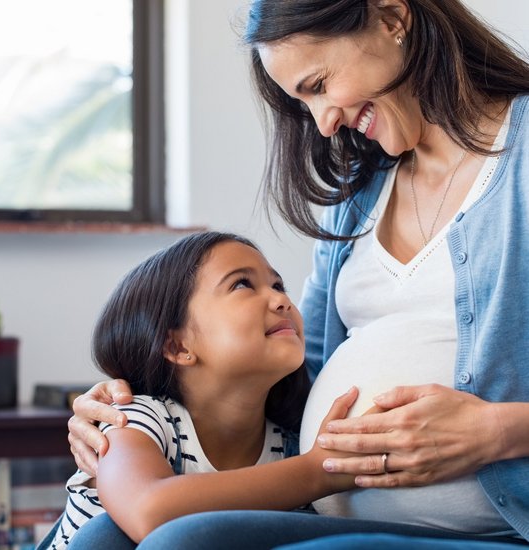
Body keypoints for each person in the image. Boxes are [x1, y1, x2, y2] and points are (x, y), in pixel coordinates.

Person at [67, 0, 529, 548]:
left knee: (179, 543)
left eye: (319, 84)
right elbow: (296, 373)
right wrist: (126, 408)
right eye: (302, 102)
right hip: (338, 511)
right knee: (100, 537)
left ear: (391, 18)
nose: (324, 122)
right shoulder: (360, 193)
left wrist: (498, 431)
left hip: (491, 525)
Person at [39, 231, 374, 549]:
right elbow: (148, 510)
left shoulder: (289, 443)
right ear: (177, 345)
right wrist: (319, 472)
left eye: (278, 284)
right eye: (242, 284)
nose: (281, 299)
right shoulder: (135, 420)